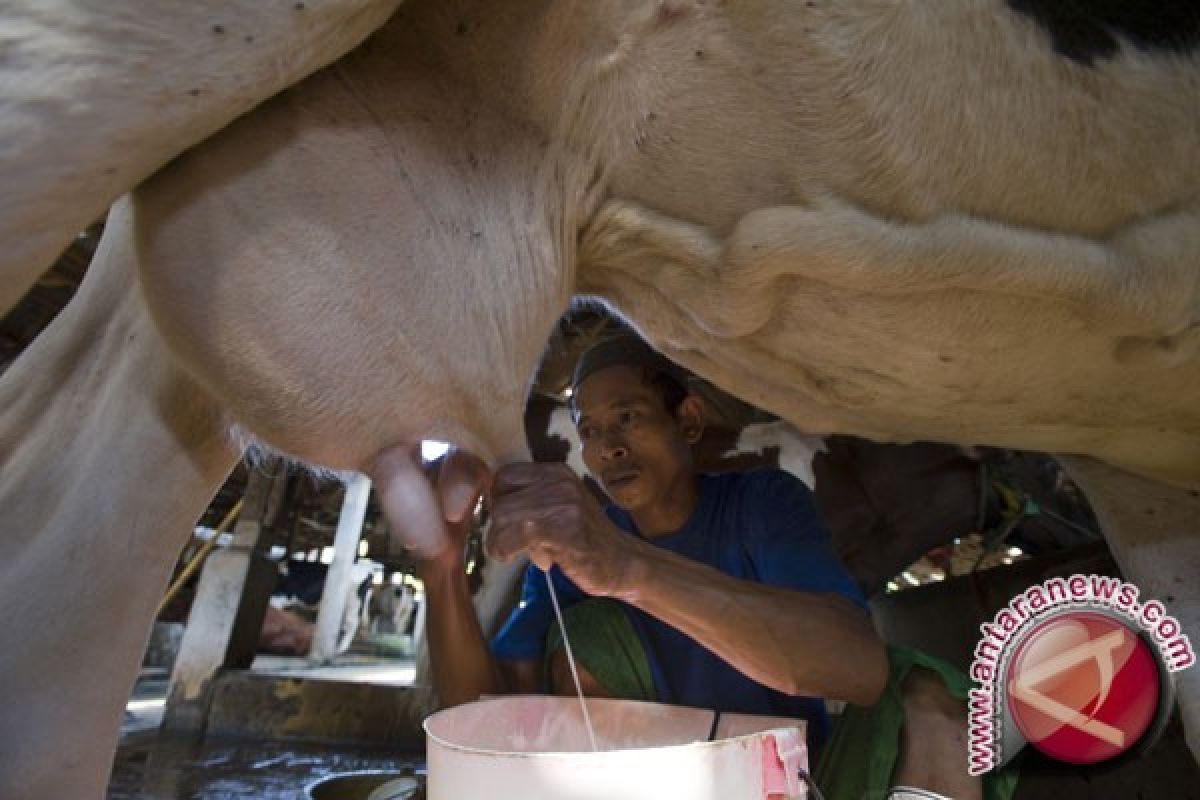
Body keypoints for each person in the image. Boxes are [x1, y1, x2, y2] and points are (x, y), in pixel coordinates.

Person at [417, 332, 1012, 800]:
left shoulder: (762, 504)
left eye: (628, 416)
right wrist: (441, 569)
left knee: (926, 690)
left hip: (789, 784)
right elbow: (484, 720)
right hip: (653, 787)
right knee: (591, 636)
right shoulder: (572, 556)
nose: (608, 447)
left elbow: (858, 667)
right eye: (590, 430)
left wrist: (627, 567)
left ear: (689, 422)